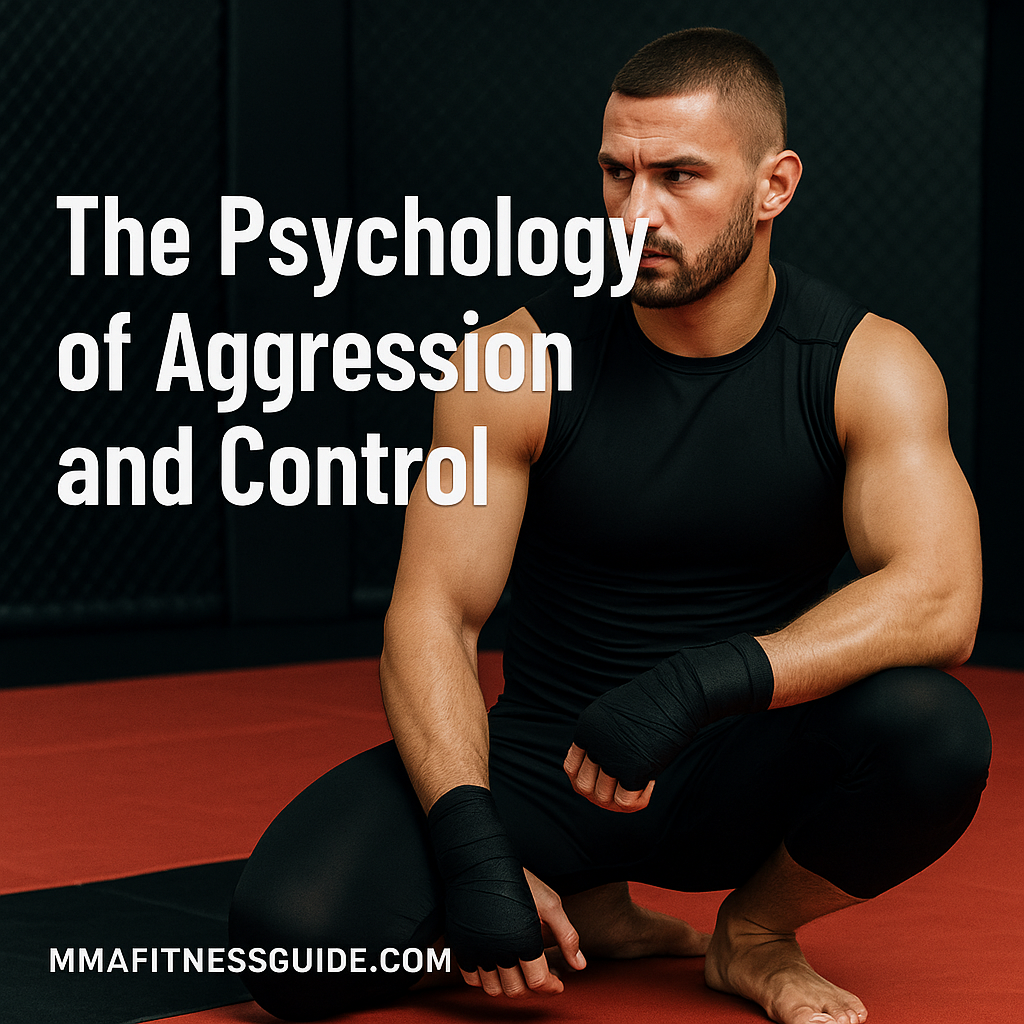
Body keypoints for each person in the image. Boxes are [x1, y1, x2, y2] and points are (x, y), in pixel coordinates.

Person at [229, 27, 991, 1024]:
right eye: (617, 175)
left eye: (678, 176)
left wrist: (704, 680)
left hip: (740, 761)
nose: (638, 213)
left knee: (934, 734)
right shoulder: (512, 365)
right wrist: (474, 851)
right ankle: (579, 900)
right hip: (548, 769)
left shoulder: (863, 364)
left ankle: (753, 934)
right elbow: (432, 616)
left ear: (774, 186)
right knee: (287, 946)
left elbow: (940, 596)